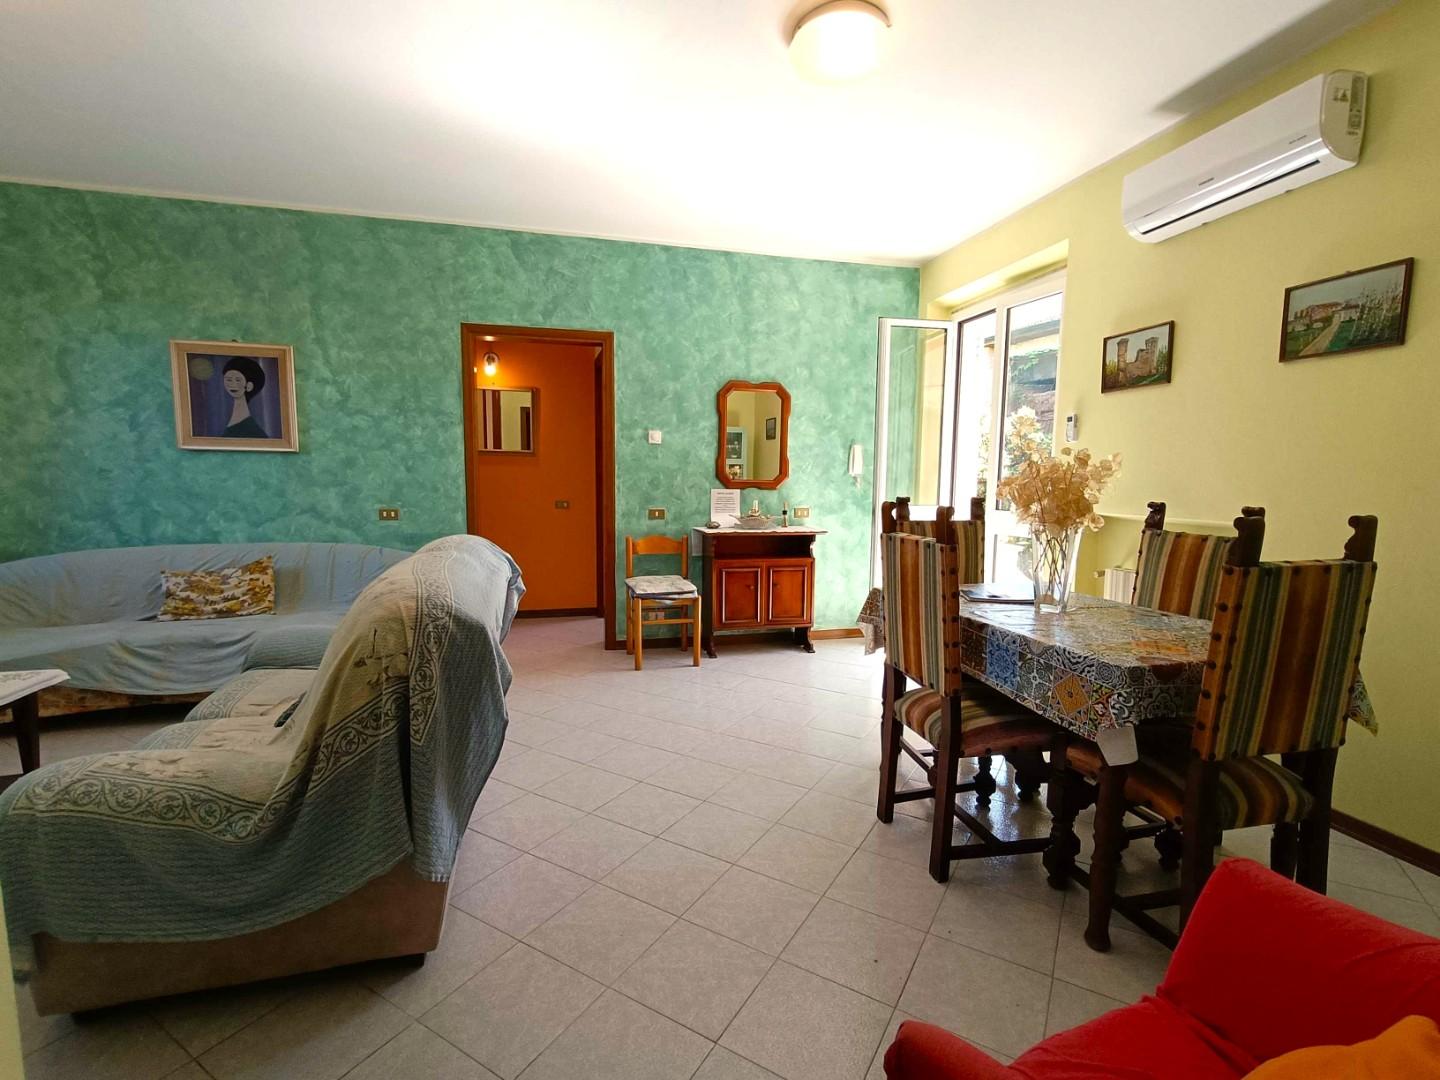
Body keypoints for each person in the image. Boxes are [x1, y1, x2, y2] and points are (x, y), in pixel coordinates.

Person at [220, 357, 270, 438]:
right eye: (228, 380)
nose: (232, 384)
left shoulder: (254, 431)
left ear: (249, 385)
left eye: (238, 380)